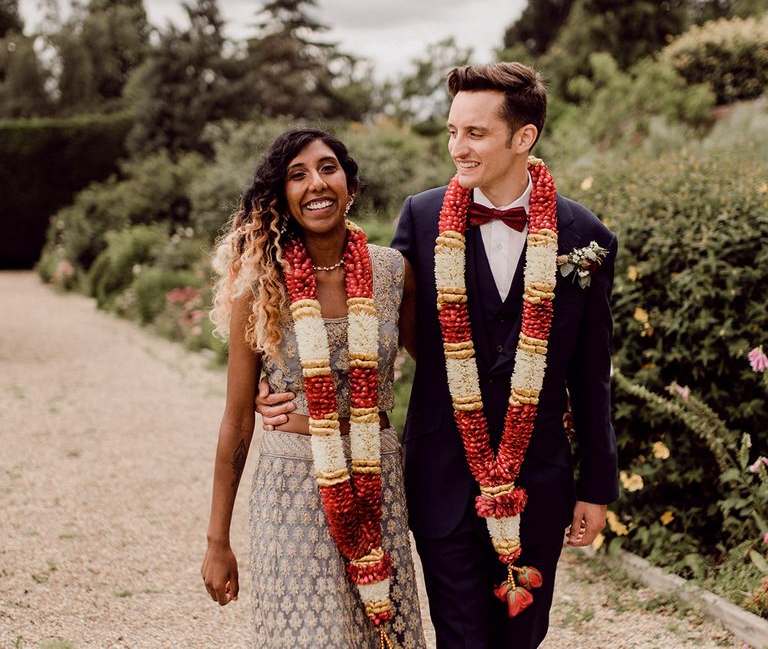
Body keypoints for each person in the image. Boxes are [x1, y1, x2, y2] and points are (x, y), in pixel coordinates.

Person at [258, 63, 619, 648]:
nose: (457, 147)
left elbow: (592, 375)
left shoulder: (586, 237)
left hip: (540, 479)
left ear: (522, 138)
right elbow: (363, 318)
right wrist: (283, 377)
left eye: (474, 133)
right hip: (442, 473)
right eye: (452, 131)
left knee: (522, 637)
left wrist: (596, 486)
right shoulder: (422, 218)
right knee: (459, 636)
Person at [201, 128, 426, 649]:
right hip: (292, 484)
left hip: (379, 475)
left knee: (384, 633)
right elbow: (237, 418)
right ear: (281, 195)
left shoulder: (392, 271)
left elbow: (442, 365)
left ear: (348, 181)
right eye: (297, 175)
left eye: (327, 168)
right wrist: (218, 541)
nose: (316, 183)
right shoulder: (261, 283)